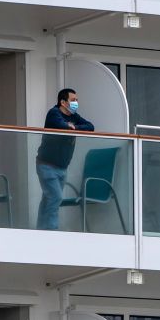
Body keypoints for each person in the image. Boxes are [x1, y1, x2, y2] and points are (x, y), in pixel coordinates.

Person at [36, 88, 94, 230]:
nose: (76, 103)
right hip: (47, 165)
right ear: (63, 102)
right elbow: (63, 127)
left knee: (48, 199)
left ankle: (39, 231)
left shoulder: (74, 116)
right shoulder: (54, 113)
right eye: (73, 100)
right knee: (56, 198)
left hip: (62, 168)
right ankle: (52, 233)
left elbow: (90, 127)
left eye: (77, 100)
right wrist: (69, 127)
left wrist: (73, 127)